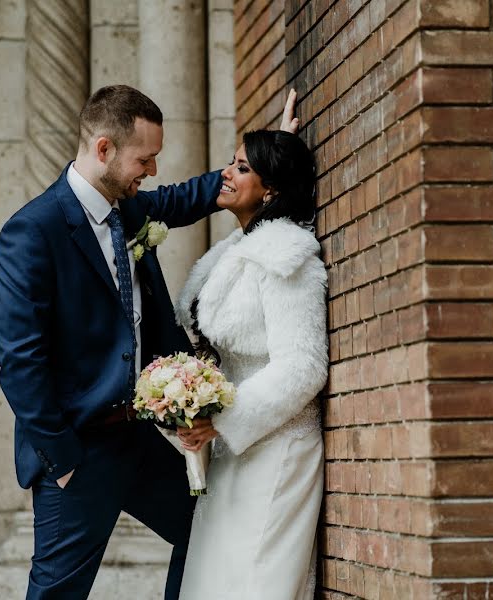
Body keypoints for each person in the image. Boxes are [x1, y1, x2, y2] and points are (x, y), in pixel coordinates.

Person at [0, 84, 302, 600]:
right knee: (56, 594)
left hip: (136, 438)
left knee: (206, 529)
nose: (152, 171)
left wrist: (273, 159)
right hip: (78, 451)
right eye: (146, 158)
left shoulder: (127, 210)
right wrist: (63, 461)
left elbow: (184, 199)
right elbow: (20, 362)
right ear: (104, 150)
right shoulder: (31, 233)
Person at [174, 128, 329, 599]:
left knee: (257, 583)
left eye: (242, 167)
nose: (225, 173)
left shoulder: (284, 259)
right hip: (234, 452)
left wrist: (222, 418)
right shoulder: (237, 251)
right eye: (231, 161)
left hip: (277, 450)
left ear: (272, 189)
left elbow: (303, 366)